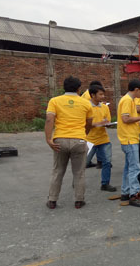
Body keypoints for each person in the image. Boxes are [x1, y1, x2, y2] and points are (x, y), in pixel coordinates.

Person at [45, 76, 93, 209]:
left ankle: (52, 200)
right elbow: (89, 123)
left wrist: (49, 139)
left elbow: (49, 120)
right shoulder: (85, 103)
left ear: (64, 87)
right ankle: (79, 200)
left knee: (58, 171)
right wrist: (84, 134)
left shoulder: (55, 101)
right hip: (79, 140)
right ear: (79, 88)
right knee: (79, 172)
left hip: (60, 140)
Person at [117, 79, 140, 207]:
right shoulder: (127, 100)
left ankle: (125, 192)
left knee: (129, 167)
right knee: (135, 168)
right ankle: (134, 194)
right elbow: (125, 119)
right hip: (129, 138)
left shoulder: (129, 100)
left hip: (130, 137)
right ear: (136, 89)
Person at [86, 84, 116, 192]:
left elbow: (107, 120)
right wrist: (98, 123)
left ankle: (105, 184)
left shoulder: (104, 107)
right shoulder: (86, 106)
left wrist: (108, 124)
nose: (103, 96)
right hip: (89, 139)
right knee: (82, 163)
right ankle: (77, 182)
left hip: (103, 138)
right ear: (93, 95)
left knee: (107, 162)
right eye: (100, 94)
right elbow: (84, 124)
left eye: (103, 94)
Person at [84, 80, 104, 168]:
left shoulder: (85, 94)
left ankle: (99, 161)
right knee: (93, 144)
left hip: (93, 126)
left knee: (97, 143)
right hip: (91, 124)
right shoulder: (88, 96)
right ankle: (89, 162)